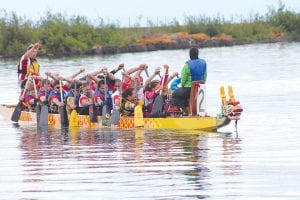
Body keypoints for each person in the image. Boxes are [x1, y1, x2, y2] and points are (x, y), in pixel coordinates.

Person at [171, 47, 207, 115]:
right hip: (200, 89)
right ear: (197, 54)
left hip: (188, 89)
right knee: (183, 95)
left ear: (190, 54)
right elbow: (205, 77)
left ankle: (184, 110)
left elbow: (183, 80)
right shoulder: (204, 63)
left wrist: (182, 86)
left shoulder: (187, 65)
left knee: (174, 94)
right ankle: (191, 111)